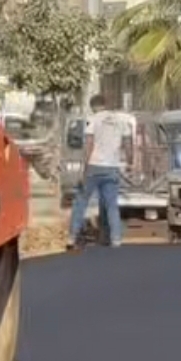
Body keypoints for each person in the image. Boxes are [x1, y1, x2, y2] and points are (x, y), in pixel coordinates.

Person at [66, 94, 132, 251]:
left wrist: (84, 168)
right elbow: (128, 143)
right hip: (112, 167)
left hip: (94, 166)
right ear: (106, 103)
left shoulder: (93, 120)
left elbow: (89, 144)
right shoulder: (120, 121)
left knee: (81, 201)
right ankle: (116, 239)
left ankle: (72, 237)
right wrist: (130, 161)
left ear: (92, 106)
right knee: (111, 205)